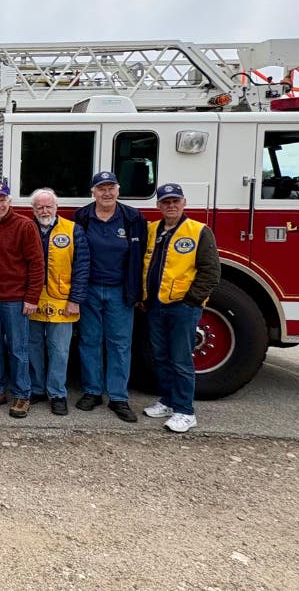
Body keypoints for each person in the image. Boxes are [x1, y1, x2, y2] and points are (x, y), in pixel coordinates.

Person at [141, 183, 220, 433]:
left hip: (182, 307)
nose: (171, 206)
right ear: (158, 206)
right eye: (166, 202)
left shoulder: (199, 231)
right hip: (155, 305)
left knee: (181, 359)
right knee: (161, 357)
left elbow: (211, 271)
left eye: (175, 201)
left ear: (184, 203)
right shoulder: (153, 230)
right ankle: (167, 401)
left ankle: (186, 411)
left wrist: (192, 300)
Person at [73, 171, 147, 422]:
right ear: (92, 192)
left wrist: (137, 291)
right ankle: (92, 391)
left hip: (120, 291)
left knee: (119, 344)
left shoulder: (132, 217)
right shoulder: (83, 217)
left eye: (110, 188)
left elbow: (140, 257)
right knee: (89, 341)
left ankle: (118, 397)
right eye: (101, 188)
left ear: (118, 189)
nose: (106, 193)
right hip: (90, 289)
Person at [0, 181, 44, 419]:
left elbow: (37, 264)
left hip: (15, 299)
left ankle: (22, 394)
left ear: (10, 201)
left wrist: (31, 297)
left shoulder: (25, 226)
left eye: (2, 199)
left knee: (18, 348)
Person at [28, 188, 90, 416]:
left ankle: (57, 394)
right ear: (33, 210)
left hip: (63, 301)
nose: (44, 211)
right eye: (39, 207)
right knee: (33, 347)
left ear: (56, 207)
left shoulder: (74, 230)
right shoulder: (28, 228)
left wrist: (76, 300)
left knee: (59, 349)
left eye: (48, 206)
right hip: (33, 300)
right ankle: (36, 389)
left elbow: (82, 267)